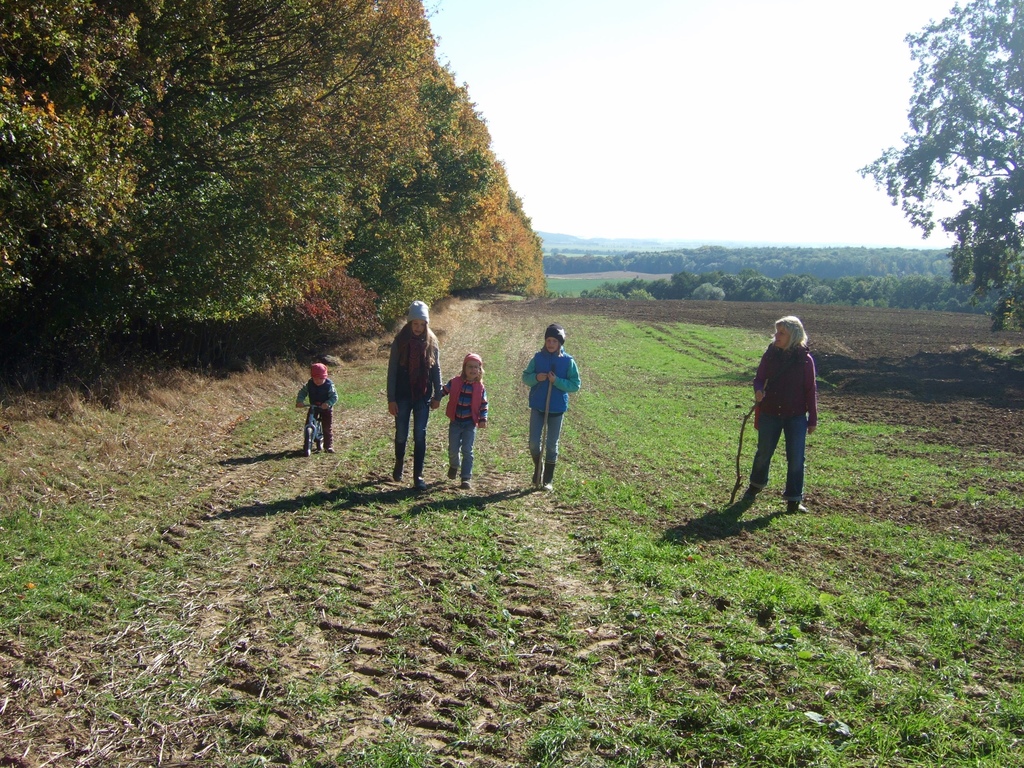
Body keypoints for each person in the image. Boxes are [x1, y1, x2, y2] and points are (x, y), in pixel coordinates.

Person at [743, 315, 818, 513]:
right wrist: (758, 390)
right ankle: (755, 487)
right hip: (769, 413)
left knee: (796, 458)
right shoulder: (770, 355)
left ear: (793, 335)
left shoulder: (805, 361)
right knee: (763, 452)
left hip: (796, 417)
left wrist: (813, 419)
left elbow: (811, 390)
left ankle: (794, 499)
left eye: (782, 333)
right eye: (777, 331)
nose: (777, 336)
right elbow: (759, 378)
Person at [387, 300, 442, 490]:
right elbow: (392, 371)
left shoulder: (431, 342)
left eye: (422, 324)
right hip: (402, 395)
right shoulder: (399, 341)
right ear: (409, 323)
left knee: (420, 435)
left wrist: (438, 395)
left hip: (423, 396)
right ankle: (399, 462)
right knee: (401, 433)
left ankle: (418, 475)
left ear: (426, 324)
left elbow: (436, 370)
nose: (418, 328)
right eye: (415, 324)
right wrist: (391, 399)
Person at [522, 323, 581, 491]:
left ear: (560, 343)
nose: (550, 344)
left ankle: (547, 479)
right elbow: (525, 377)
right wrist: (536, 378)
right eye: (548, 340)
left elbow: (575, 385)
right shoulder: (537, 358)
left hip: (556, 408)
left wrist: (557, 381)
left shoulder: (568, 361)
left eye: (554, 341)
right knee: (534, 443)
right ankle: (538, 469)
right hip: (538, 406)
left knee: (551, 445)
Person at [434, 353, 488, 490]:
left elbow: (484, 404)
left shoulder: (480, 388)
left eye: (476, 367)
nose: (473, 370)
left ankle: (466, 477)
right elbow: (444, 391)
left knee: (467, 450)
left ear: (480, 370)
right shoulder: (455, 382)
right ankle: (454, 465)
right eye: (470, 366)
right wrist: (436, 397)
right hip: (456, 422)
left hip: (470, 423)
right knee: (453, 448)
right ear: (464, 368)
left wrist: (483, 419)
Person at [296, 362, 339, 453]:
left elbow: (334, 397)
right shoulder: (310, 384)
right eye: (315, 379)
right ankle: (307, 443)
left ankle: (328, 446)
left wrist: (328, 403)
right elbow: (302, 392)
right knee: (309, 423)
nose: (317, 381)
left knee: (327, 428)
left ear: (325, 377)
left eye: (320, 379)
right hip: (314, 407)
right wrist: (300, 401)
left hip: (326, 408)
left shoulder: (329, 385)